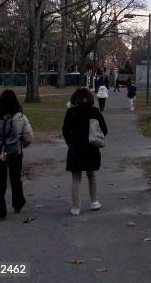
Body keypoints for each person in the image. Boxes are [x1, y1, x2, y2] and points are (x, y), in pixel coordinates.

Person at [0, 90, 33, 221]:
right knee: (15, 179)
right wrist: (21, 146)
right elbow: (29, 136)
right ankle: (17, 203)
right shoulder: (20, 117)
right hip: (15, 153)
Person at [62, 88, 108, 216]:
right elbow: (104, 129)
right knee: (91, 175)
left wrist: (70, 143)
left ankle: (76, 207)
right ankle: (94, 201)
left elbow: (65, 130)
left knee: (76, 178)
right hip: (91, 147)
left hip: (75, 148)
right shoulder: (95, 112)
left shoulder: (71, 112)